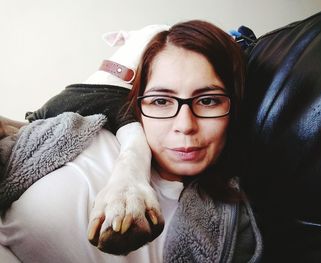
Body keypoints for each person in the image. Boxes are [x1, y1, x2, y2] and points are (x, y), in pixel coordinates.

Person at [0, 20, 262, 262]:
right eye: (161, 101)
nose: (184, 126)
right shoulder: (80, 132)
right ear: (137, 104)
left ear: (234, 107)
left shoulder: (229, 227)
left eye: (207, 101)